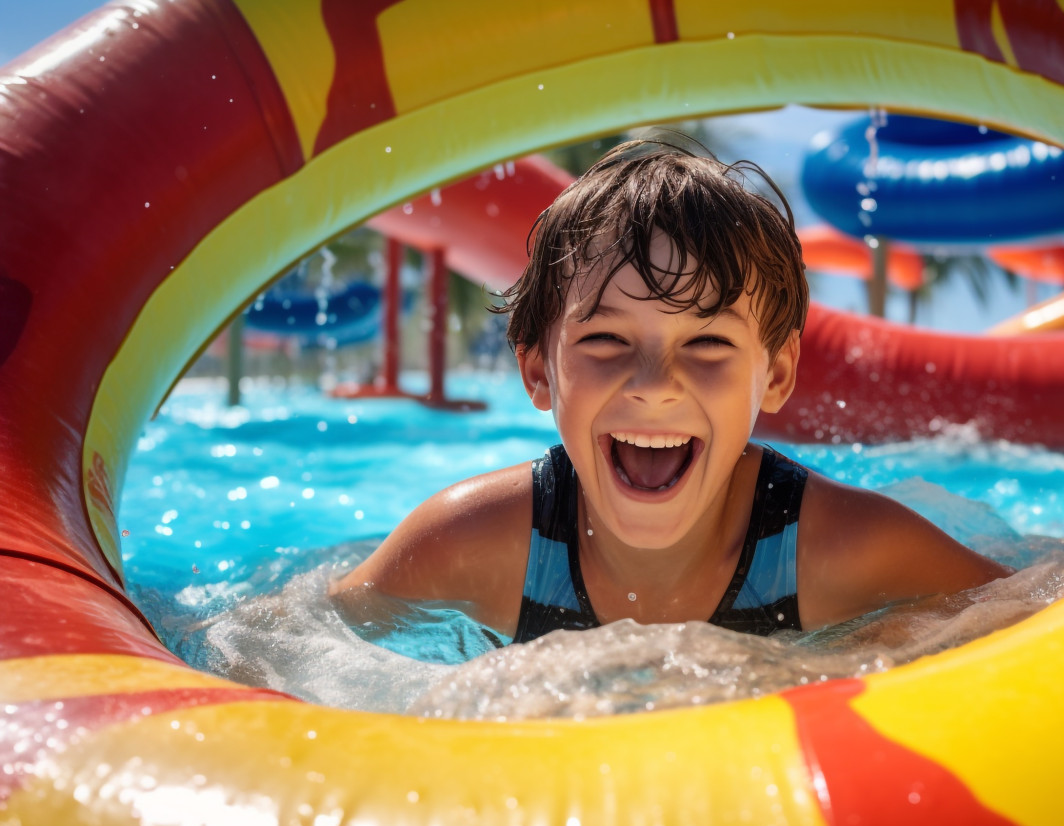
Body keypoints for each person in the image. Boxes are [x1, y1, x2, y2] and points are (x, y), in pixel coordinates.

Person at [330, 139, 1009, 644]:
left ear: (775, 374)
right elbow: (295, 642)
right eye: (606, 342)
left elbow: (1035, 616)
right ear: (538, 369)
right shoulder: (473, 544)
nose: (655, 386)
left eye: (708, 345)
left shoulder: (841, 551)